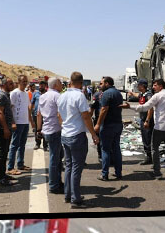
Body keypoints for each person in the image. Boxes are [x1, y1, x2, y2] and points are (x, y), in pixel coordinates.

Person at [58, 72, 101, 208]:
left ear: (70, 82)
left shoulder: (62, 96)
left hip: (65, 135)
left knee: (69, 166)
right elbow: (86, 117)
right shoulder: (79, 95)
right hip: (76, 136)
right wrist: (94, 134)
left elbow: (59, 115)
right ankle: (75, 199)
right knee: (76, 168)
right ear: (81, 83)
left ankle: (68, 195)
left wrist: (64, 126)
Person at [136, 79, 165, 180]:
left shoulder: (157, 96)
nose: (153, 87)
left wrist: (130, 106)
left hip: (160, 128)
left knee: (155, 150)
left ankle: (157, 173)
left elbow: (145, 107)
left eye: (155, 85)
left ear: (160, 86)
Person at [94, 76, 129, 181]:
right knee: (116, 149)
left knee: (105, 150)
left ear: (107, 83)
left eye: (101, 83)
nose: (100, 85)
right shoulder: (118, 93)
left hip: (108, 125)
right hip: (118, 124)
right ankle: (118, 173)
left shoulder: (106, 94)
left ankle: (104, 174)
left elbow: (104, 109)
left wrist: (98, 124)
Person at [39, 78, 64, 195]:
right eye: (60, 83)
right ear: (55, 85)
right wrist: (64, 126)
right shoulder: (57, 96)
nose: (61, 85)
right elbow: (60, 114)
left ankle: (57, 182)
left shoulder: (43, 96)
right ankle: (54, 185)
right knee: (55, 159)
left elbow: (39, 114)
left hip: (47, 130)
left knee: (57, 157)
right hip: (55, 130)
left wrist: (38, 129)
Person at [0, 79, 18, 188]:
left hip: (6, 127)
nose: (13, 85)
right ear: (3, 85)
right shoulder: (1, 96)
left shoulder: (6, 95)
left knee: (5, 152)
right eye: (10, 83)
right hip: (2, 129)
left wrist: (11, 122)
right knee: (2, 154)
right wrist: (6, 128)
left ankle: (3, 174)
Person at [7, 75, 31, 175]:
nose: (25, 83)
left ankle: (20, 164)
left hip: (25, 123)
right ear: (19, 82)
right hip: (17, 123)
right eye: (23, 81)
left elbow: (28, 108)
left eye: (26, 81)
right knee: (14, 145)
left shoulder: (25, 94)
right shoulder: (14, 93)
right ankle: (10, 167)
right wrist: (13, 122)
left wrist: (31, 121)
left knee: (22, 145)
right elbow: (9, 108)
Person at [128, 79, 153, 163]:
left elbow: (150, 108)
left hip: (147, 120)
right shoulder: (143, 94)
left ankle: (150, 158)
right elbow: (137, 95)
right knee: (145, 138)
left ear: (142, 86)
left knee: (147, 139)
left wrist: (147, 120)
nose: (137, 86)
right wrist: (131, 94)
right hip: (143, 119)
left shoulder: (148, 95)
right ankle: (148, 156)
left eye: (138, 85)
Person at [31, 81, 45, 150]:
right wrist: (30, 113)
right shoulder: (35, 94)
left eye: (42, 85)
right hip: (36, 114)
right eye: (40, 85)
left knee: (45, 129)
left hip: (45, 115)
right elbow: (32, 104)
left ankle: (45, 145)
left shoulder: (47, 94)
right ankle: (37, 143)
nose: (41, 87)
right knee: (37, 129)